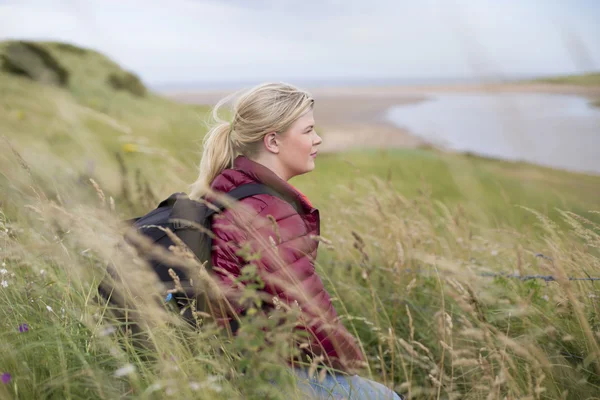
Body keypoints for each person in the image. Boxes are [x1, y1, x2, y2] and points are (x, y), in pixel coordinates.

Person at [188, 82, 402, 399]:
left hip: (233, 357)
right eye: (308, 131)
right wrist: (350, 362)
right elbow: (308, 313)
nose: (317, 140)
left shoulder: (230, 189)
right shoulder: (268, 211)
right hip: (258, 369)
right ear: (273, 140)